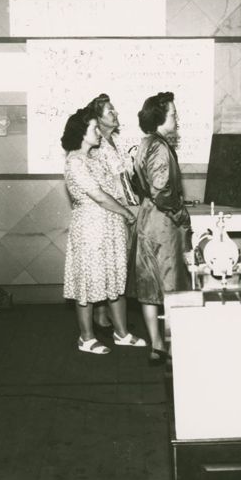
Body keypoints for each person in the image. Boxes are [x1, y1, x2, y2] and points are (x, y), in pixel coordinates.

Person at [60, 106, 146, 354]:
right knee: (87, 281)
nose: (99, 131)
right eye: (94, 128)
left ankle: (121, 333)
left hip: (110, 225)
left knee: (116, 277)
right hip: (90, 227)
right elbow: (98, 196)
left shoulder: (96, 156)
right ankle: (86, 338)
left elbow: (116, 185)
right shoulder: (75, 161)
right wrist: (127, 213)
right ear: (81, 133)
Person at [130, 91, 191, 365]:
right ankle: (172, 347)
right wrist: (180, 214)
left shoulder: (145, 143)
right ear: (160, 117)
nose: (177, 118)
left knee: (149, 284)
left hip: (147, 218)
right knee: (171, 283)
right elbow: (161, 190)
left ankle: (156, 343)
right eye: (173, 114)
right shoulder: (160, 147)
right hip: (162, 223)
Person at [86, 93, 139, 334]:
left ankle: (106, 313)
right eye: (110, 111)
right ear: (97, 118)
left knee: (119, 260)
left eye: (115, 109)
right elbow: (102, 185)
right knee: (105, 263)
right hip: (106, 211)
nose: (115, 113)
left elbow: (125, 177)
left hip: (124, 206)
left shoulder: (116, 141)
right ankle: (100, 312)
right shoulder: (95, 147)